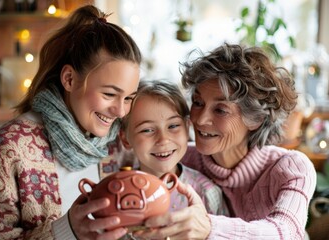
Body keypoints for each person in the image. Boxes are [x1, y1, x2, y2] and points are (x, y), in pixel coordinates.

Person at [0, 4, 141, 240]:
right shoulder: (10, 147)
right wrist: (66, 231)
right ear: (69, 79)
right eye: (109, 94)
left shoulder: (119, 144)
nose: (120, 111)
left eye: (129, 98)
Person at [133, 43, 317, 240]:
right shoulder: (177, 158)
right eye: (198, 103)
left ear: (255, 119)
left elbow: (287, 231)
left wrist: (210, 227)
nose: (200, 119)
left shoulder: (291, 168)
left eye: (220, 110)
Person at [119, 80, 228, 216]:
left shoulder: (207, 193)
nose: (163, 139)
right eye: (147, 130)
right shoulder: (118, 191)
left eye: (173, 126)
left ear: (187, 128)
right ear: (125, 138)